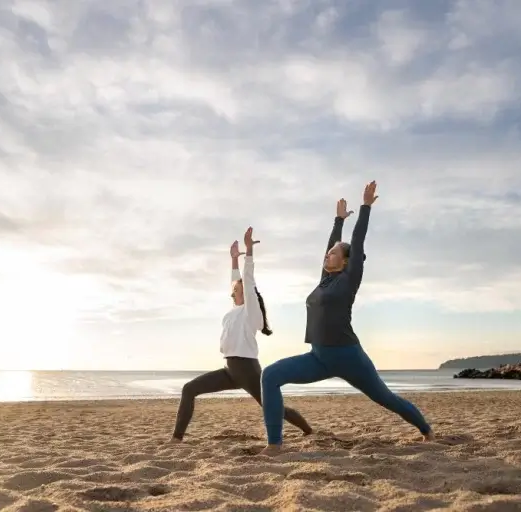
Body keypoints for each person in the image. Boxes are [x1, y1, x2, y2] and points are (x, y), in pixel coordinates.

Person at [259, 181, 434, 455]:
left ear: (344, 262)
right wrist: (337, 220)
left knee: (386, 398)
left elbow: (359, 240)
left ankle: (425, 429)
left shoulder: (349, 279)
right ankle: (274, 445)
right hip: (318, 358)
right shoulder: (324, 281)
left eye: (333, 254)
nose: (327, 255)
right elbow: (332, 245)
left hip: (349, 357)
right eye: (328, 253)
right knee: (270, 376)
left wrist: (364, 207)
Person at [170, 226, 313, 443]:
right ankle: (176, 438)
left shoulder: (250, 312)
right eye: (234, 289)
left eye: (237, 289)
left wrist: (249, 251)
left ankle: (309, 431)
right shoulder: (234, 311)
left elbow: (247, 279)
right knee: (189, 389)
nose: (233, 290)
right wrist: (233, 260)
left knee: (276, 408)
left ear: (246, 293)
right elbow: (235, 280)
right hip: (230, 369)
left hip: (248, 369)